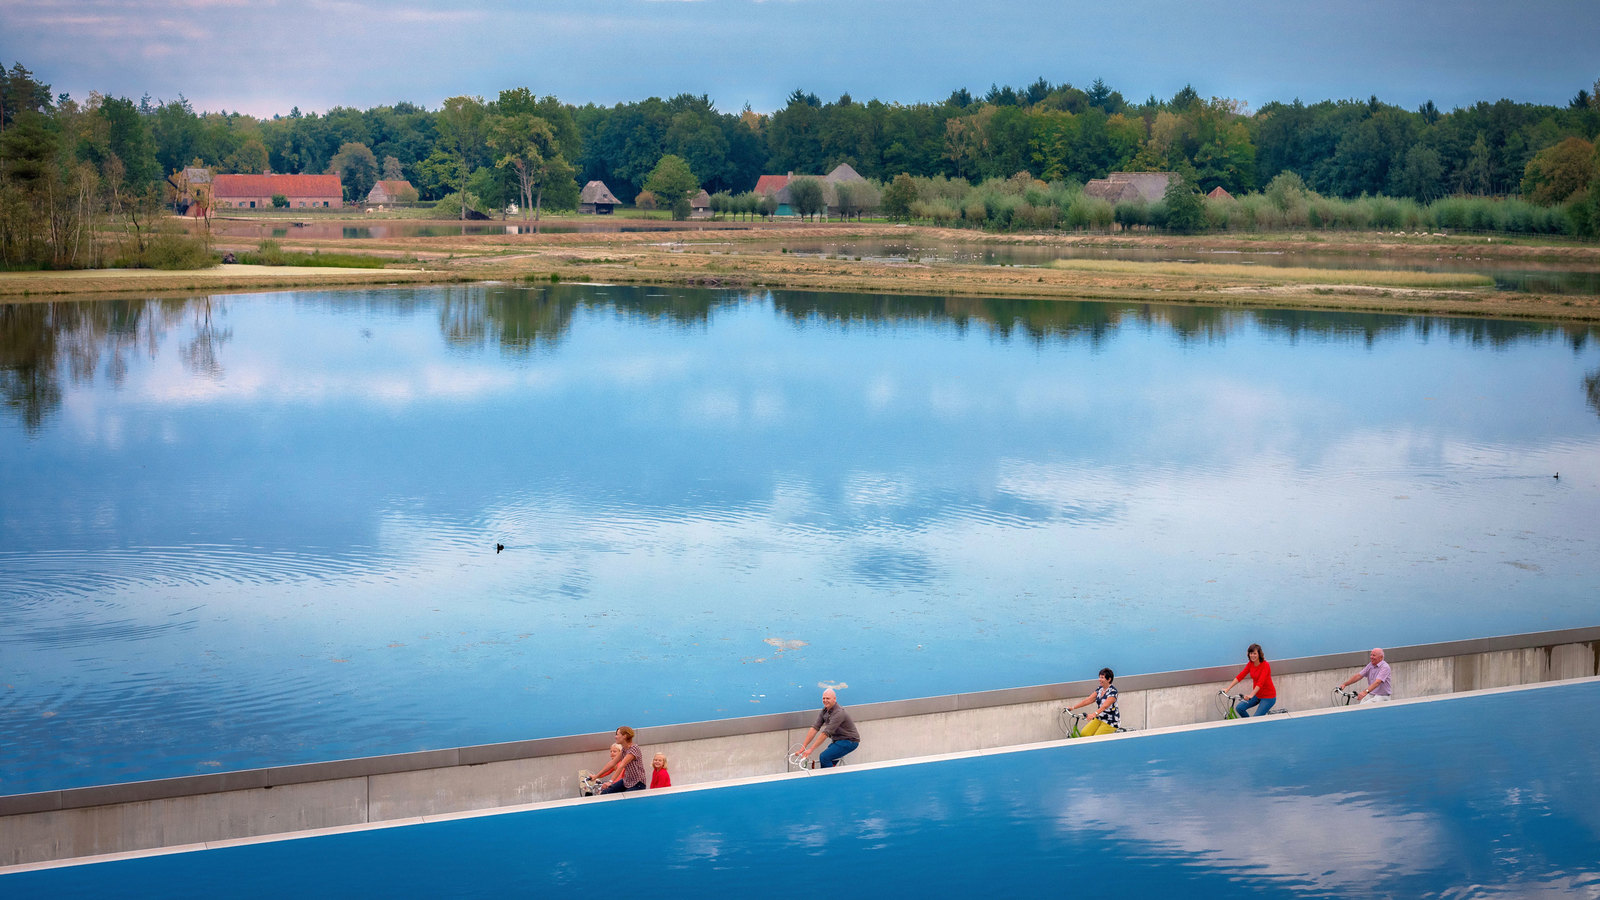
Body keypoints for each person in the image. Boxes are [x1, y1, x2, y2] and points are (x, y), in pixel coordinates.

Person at [796, 688, 860, 768]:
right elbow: (814, 728)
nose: (825, 700)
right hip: (838, 741)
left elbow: (825, 733)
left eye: (828, 698)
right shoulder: (824, 711)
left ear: (834, 699)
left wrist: (811, 749)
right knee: (829, 759)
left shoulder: (839, 713)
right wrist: (804, 747)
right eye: (823, 698)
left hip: (850, 741)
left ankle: (829, 779)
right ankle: (832, 774)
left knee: (824, 757)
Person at [1224, 643, 1277, 717]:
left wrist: (1251, 695)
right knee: (1240, 708)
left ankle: (1254, 725)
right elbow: (1240, 676)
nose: (1252, 655)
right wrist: (1228, 688)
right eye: (1251, 653)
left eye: (1254, 653)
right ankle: (1249, 724)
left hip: (1268, 697)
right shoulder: (1250, 664)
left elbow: (1260, 683)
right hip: (1257, 695)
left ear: (1259, 654)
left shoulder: (1265, 665)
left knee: (1256, 718)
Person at [593, 726, 647, 793]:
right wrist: (596, 776)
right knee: (605, 792)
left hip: (638, 784)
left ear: (624, 736)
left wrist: (610, 782)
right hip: (627, 781)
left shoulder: (634, 749)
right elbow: (612, 763)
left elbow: (622, 765)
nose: (615, 737)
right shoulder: (624, 749)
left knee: (625, 798)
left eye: (617, 734)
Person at [1067, 667, 1120, 736]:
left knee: (1097, 738)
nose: (1099, 679)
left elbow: (1105, 706)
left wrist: (1094, 714)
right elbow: (1089, 700)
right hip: (1099, 718)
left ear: (1109, 679)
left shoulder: (1113, 692)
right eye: (1099, 677)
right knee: (1084, 734)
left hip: (1110, 721)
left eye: (1102, 678)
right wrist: (1073, 707)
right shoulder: (1100, 689)